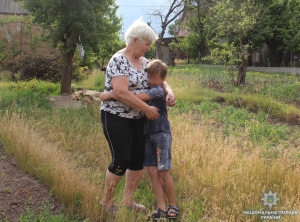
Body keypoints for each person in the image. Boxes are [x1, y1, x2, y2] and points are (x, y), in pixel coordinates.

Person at [99, 19, 176, 214]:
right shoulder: (118, 60)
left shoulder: (144, 62)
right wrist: (148, 109)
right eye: (147, 44)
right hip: (116, 116)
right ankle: (107, 203)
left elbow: (160, 79)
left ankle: (127, 201)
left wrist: (169, 91)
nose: (149, 48)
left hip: (138, 119)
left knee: (137, 160)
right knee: (122, 158)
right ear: (135, 40)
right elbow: (121, 93)